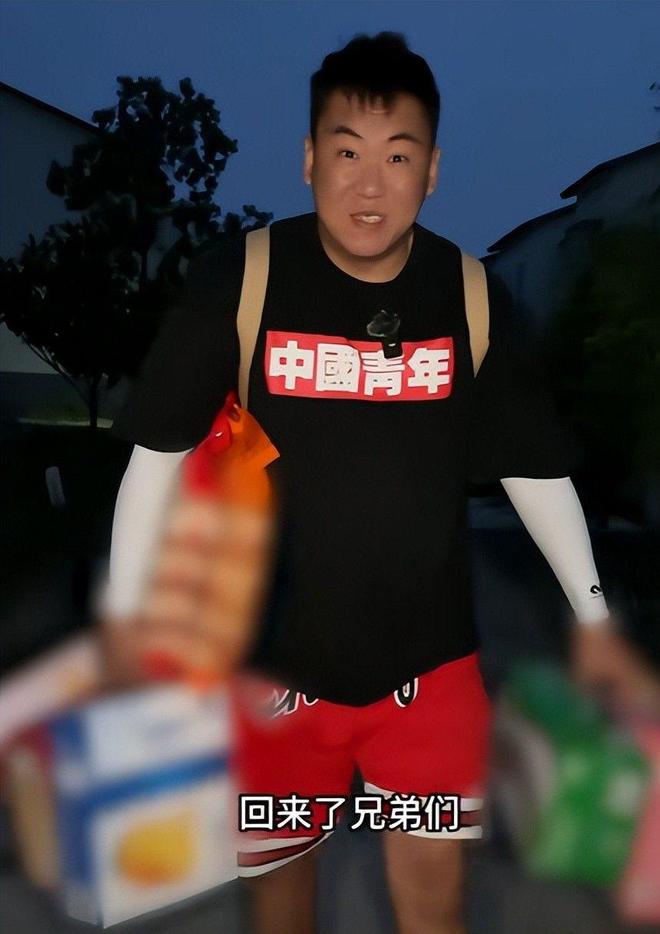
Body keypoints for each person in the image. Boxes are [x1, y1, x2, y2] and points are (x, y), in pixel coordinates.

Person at [100, 32, 658, 934]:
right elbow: (155, 456)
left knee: (435, 905)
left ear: (432, 170)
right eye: (346, 152)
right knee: (282, 901)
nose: (369, 184)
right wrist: (125, 621)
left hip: (429, 677)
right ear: (308, 159)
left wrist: (593, 618)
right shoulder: (241, 279)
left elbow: (532, 467)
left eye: (398, 157)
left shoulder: (471, 296)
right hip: (274, 679)